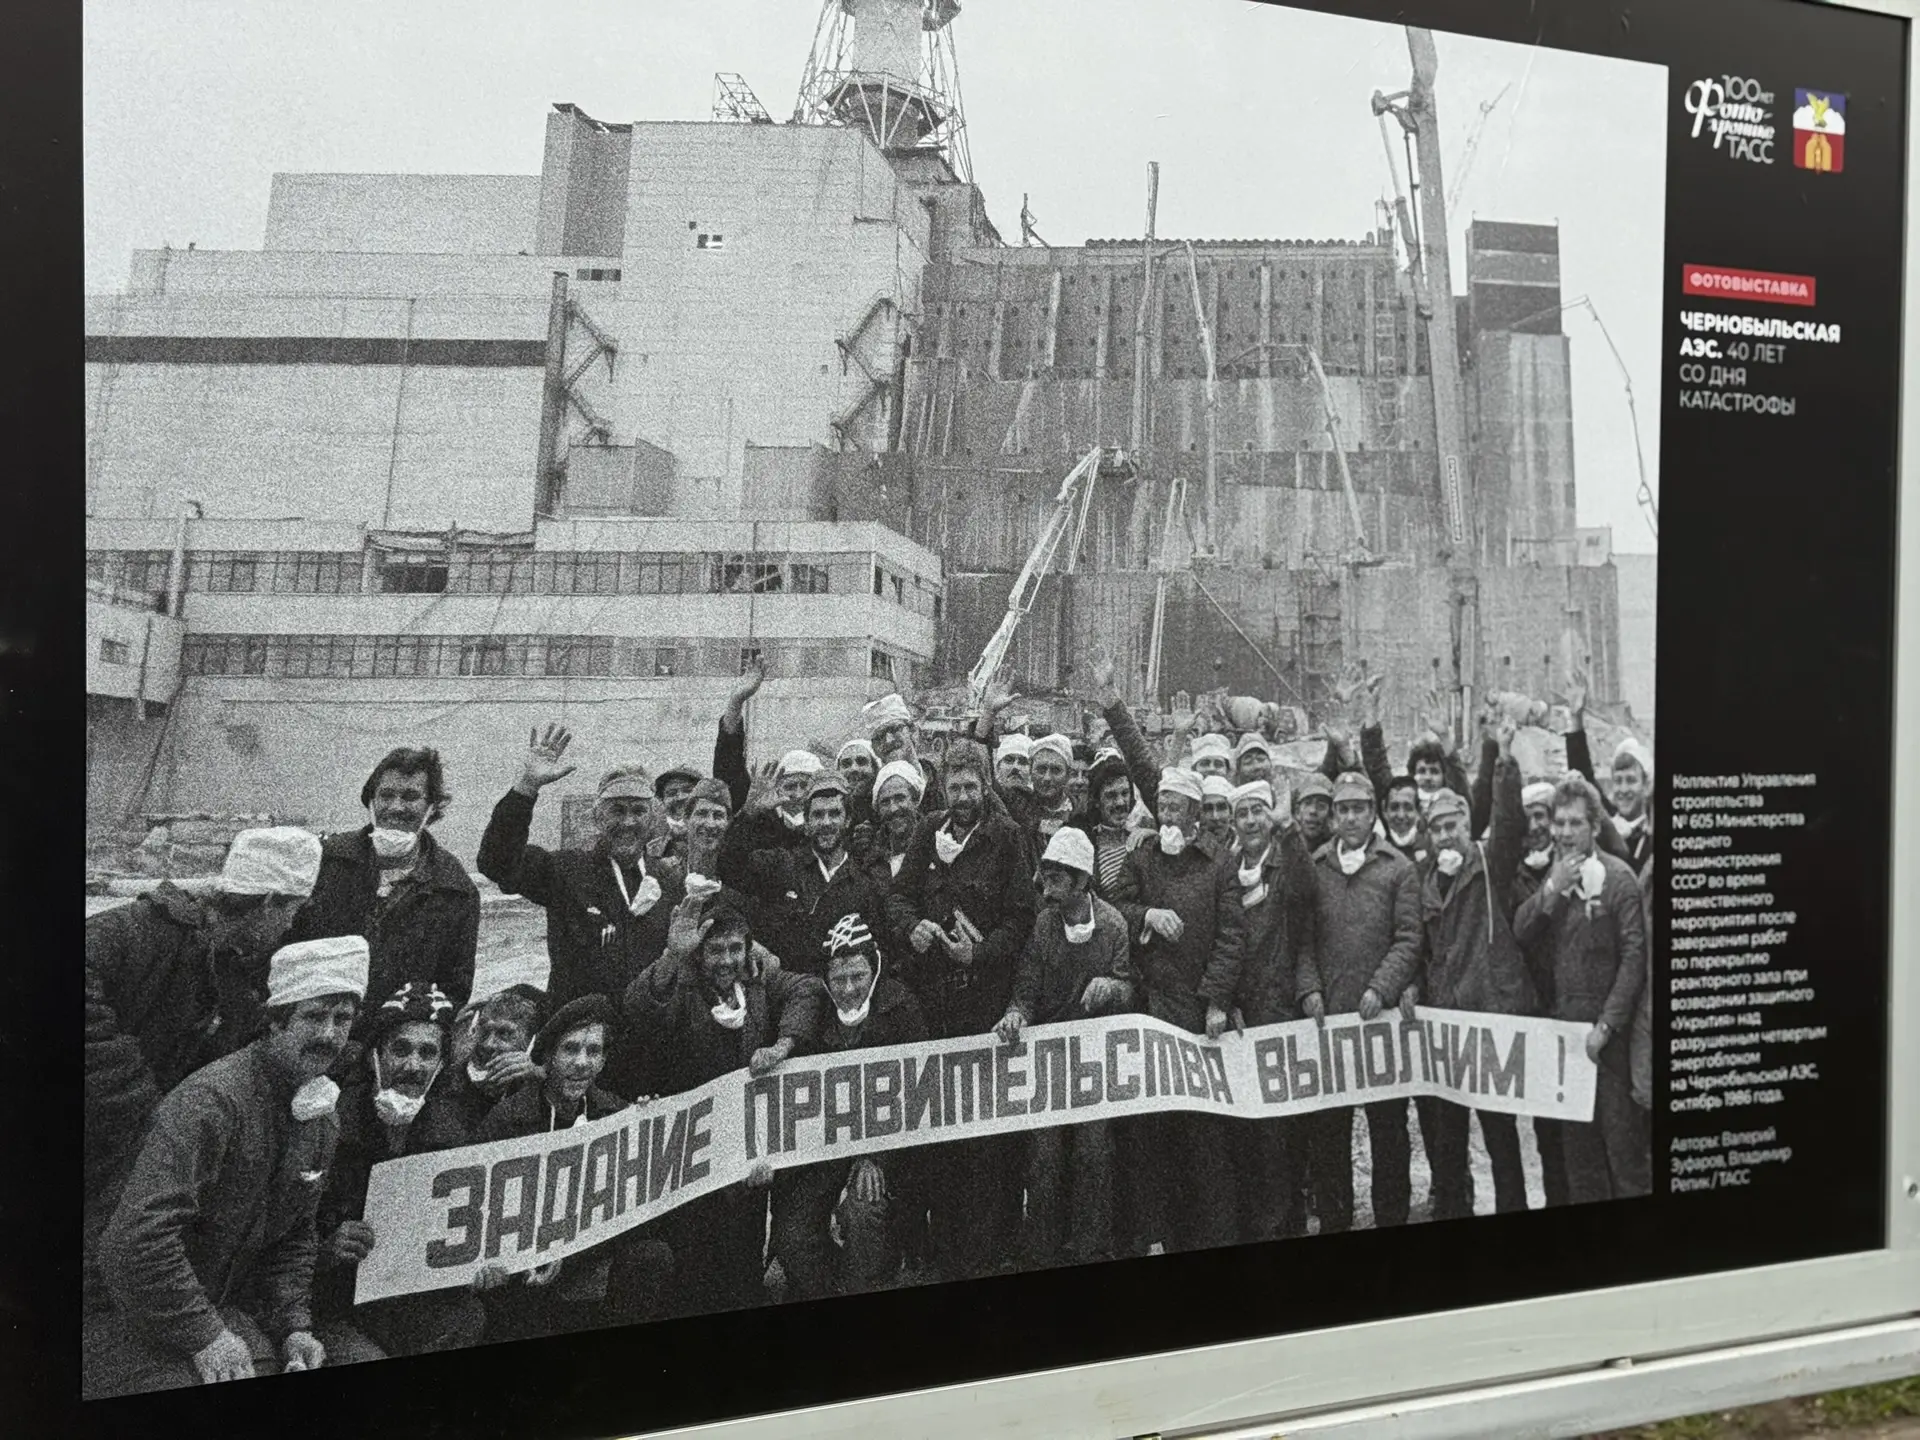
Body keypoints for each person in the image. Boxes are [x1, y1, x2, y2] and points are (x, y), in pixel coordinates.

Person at [83, 937, 375, 1396]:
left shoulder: (320, 1115)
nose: (329, 1034)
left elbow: (294, 1236)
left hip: (209, 1305)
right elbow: (136, 1240)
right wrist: (206, 1336)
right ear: (276, 1022)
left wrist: (294, 1327)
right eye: (314, 1016)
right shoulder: (213, 1103)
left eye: (343, 1019)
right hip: (115, 1309)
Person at [85, 828, 322, 1282]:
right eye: (291, 911)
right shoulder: (139, 928)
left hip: (131, 1164)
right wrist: (134, 1094)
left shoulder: (236, 972)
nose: (290, 926)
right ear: (269, 902)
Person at [624, 893, 822, 1316]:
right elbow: (639, 1006)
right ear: (700, 952)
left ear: (749, 950)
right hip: (692, 1151)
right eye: (716, 950)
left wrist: (783, 1045)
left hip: (742, 1148)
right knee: (694, 1260)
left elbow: (807, 989)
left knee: (743, 1258)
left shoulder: (758, 983)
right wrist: (671, 955)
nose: (726, 960)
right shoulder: (682, 985)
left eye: (735, 949)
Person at [884, 741, 1036, 1279]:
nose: (964, 796)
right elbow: (897, 898)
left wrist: (981, 951)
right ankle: (941, 1250)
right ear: (943, 788)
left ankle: (987, 1251)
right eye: (955, 787)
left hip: (984, 1001)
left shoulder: (1007, 837)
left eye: (972, 786)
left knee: (985, 1135)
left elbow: (1022, 920)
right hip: (933, 1004)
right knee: (940, 1126)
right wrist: (912, 927)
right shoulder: (928, 831)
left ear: (985, 786)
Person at [477, 727, 687, 1095]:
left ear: (653, 819)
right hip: (576, 1053)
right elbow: (497, 862)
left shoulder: (670, 881)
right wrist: (526, 788)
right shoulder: (567, 871)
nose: (628, 822)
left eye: (638, 811)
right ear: (598, 818)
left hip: (647, 1053)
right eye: (617, 810)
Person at [470, 995, 674, 1337]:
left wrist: (648, 1130)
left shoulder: (614, 1113)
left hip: (585, 1259)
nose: (582, 1063)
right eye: (570, 1049)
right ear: (548, 1056)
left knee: (652, 1254)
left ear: (604, 1060)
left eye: (593, 1051)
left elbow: (636, 1214)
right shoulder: (507, 1120)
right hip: (520, 1270)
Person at [1110, 767, 1247, 1253]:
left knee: (1203, 1132)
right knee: (1153, 1133)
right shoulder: (1142, 856)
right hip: (1151, 1010)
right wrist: (1146, 915)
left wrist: (1217, 1000)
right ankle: (1156, 1237)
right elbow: (1115, 908)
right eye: (1162, 806)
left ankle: (1212, 1237)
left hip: (1198, 1014)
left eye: (1176, 808)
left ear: (1194, 815)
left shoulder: (1219, 862)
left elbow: (1232, 936)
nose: (1167, 815)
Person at [312, 984, 484, 1361]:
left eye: (428, 1053)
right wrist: (326, 1249)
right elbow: (281, 1238)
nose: (413, 1066)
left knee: (467, 1317)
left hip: (407, 1304)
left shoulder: (452, 1133)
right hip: (335, 1303)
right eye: (401, 1049)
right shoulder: (330, 1125)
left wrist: (477, 1267)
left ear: (441, 1064)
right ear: (375, 1055)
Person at [767, 915, 929, 1300]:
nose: (849, 989)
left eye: (858, 976)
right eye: (839, 979)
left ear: (874, 970)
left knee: (863, 1208)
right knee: (793, 1231)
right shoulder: (818, 1011)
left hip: (887, 1149)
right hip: (829, 1148)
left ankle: (869, 1280)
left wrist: (876, 1156)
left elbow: (918, 1092)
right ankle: (826, 1283)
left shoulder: (901, 1009)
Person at [994, 829, 1133, 1268]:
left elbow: (1131, 989)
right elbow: (1026, 986)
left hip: (1094, 1060)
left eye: (1057, 880)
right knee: (1044, 1156)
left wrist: (1112, 987)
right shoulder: (1044, 925)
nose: (1047, 890)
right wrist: (1016, 1013)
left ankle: (1092, 1248)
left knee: (1094, 1153)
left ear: (1082, 881)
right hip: (1050, 1060)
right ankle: (1042, 1252)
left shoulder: (1113, 926)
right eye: (1045, 879)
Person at [1416, 741, 1541, 1220]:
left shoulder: (1491, 864)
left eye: (1453, 826)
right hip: (1448, 1032)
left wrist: (1505, 759)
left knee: (1500, 1138)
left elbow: (1509, 823)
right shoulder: (1425, 879)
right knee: (1448, 1144)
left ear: (1468, 827)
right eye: (1437, 829)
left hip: (1489, 1026)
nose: (1446, 836)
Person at [1515, 774, 1650, 1203]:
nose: (1565, 832)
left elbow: (1634, 959)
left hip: (1610, 1041)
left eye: (1576, 823)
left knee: (1624, 1156)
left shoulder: (1619, 878)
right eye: (1560, 822)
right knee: (1580, 1161)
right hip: (1567, 1041)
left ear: (1594, 826)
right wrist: (1551, 888)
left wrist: (1607, 1026)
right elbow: (1521, 932)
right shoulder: (1551, 878)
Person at [1300, 773, 1423, 1232]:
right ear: (1334, 816)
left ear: (1373, 814)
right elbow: (1303, 941)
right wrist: (1309, 989)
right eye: (1343, 809)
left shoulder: (1398, 868)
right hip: (1330, 1028)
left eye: (1359, 809)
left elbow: (1409, 939)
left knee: (1388, 1132)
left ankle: (1391, 1218)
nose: (1350, 818)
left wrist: (1382, 988)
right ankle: (1336, 1223)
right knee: (1329, 1136)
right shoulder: (1317, 867)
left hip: (1380, 1025)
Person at [284, 746, 478, 1027]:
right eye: (386, 795)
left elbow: (453, 991)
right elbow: (285, 946)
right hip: (316, 1025)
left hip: (391, 1038)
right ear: (371, 801)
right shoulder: (326, 861)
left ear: (432, 807)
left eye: (410, 797)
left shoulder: (455, 889)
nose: (395, 807)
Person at [1226, 779, 1317, 1242]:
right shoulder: (1228, 870)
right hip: (1242, 1016)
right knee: (1249, 1129)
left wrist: (1289, 829)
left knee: (1281, 1131)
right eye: (1243, 814)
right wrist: (1227, 1001)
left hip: (1280, 1011)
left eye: (1258, 812)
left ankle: (1285, 1225)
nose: (1251, 822)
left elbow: (1307, 890)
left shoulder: (1285, 863)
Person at [724, 771, 888, 979]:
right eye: (818, 815)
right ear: (807, 822)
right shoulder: (782, 864)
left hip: (842, 988)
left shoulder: (863, 881)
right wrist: (749, 814)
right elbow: (730, 868)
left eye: (834, 814)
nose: (826, 823)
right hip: (787, 986)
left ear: (847, 820)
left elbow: (878, 949)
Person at [434, 984, 548, 1139]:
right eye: (484, 1031)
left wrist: (540, 1079)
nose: (488, 1044)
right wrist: (452, 1062)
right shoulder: (455, 1076)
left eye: (504, 1034)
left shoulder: (539, 1089)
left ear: (530, 1041)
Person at [1381, 775, 1429, 867]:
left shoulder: (1432, 848)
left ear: (1419, 811)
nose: (1401, 815)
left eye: (1408, 808)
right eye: (1394, 807)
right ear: (1384, 811)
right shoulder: (1378, 852)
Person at [1293, 770, 1336, 850]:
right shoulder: (1282, 847)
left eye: (1321, 806)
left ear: (1330, 815)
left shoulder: (1337, 851)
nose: (1313, 811)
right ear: (1297, 812)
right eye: (1307, 804)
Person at [1198, 774, 1236, 850]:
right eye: (1208, 809)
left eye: (1221, 808)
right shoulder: (1189, 845)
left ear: (1231, 813)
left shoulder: (1242, 846)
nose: (1215, 817)